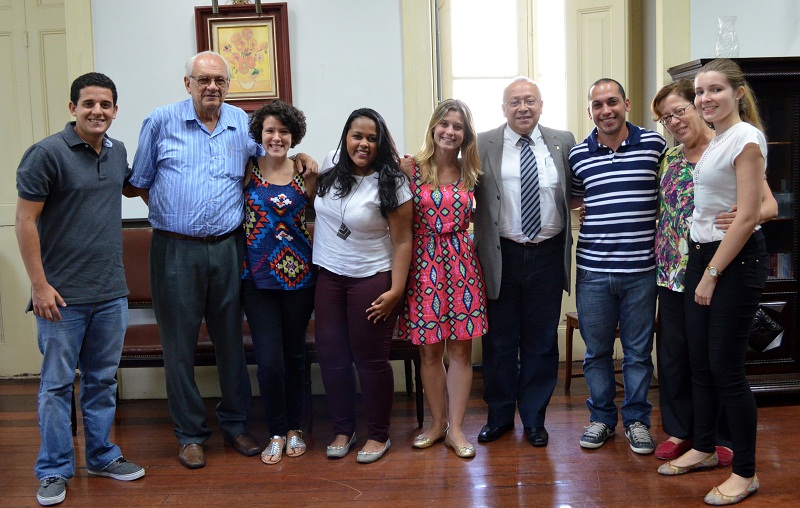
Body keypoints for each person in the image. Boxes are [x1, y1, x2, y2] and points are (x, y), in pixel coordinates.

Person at [130, 51, 267, 469]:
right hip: (174, 249)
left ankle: (236, 424)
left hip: (228, 247)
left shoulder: (243, 124)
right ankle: (189, 434)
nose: (212, 87)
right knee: (179, 346)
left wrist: (304, 160)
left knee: (231, 341)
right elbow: (140, 182)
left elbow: (263, 167)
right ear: (187, 82)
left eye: (220, 81)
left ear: (229, 86)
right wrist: (175, 219)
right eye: (203, 79)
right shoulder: (160, 121)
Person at [15, 72, 145, 506]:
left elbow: (133, 185)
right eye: (88, 104)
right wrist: (39, 286)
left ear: (114, 109)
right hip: (61, 298)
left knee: (101, 381)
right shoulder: (46, 154)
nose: (97, 112)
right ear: (73, 108)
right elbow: (25, 221)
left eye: (106, 105)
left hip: (111, 292)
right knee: (55, 386)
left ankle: (103, 456)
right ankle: (53, 469)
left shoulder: (117, 150)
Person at [656, 59, 768, 506]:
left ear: (738, 93)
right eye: (700, 92)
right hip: (700, 256)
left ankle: (745, 472)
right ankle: (703, 446)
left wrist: (712, 274)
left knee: (726, 371)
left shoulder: (746, 138)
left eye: (715, 90)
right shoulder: (719, 139)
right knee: (700, 363)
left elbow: (749, 215)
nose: (705, 99)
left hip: (732, 265)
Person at [473, 77, 576, 447]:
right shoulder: (482, 142)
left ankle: (534, 418)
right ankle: (499, 416)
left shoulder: (563, 141)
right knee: (499, 342)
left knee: (542, 342)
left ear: (541, 105)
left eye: (529, 100)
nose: (523, 108)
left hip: (548, 255)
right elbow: (452, 180)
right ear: (503, 108)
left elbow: (577, 189)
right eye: (514, 102)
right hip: (501, 254)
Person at [569, 78, 666, 455]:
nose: (605, 110)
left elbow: (669, 193)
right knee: (595, 353)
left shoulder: (654, 145)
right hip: (593, 271)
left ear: (626, 103)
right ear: (590, 110)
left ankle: (638, 421)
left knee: (639, 352)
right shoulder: (578, 154)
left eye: (612, 102)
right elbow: (577, 198)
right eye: (597, 105)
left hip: (642, 270)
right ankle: (602, 419)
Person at [313, 108, 412, 464]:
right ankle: (343, 429)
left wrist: (396, 291)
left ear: (381, 142)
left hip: (372, 278)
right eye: (357, 136)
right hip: (329, 277)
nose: (364, 144)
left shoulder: (393, 182)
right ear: (345, 137)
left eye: (372, 138)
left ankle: (379, 435)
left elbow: (403, 241)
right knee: (333, 359)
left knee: (370, 360)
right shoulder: (331, 162)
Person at [397, 99, 488, 458]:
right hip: (423, 266)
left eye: (458, 126)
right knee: (430, 351)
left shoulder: (473, 173)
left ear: (466, 135)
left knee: (462, 351)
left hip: (463, 266)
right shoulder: (411, 168)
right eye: (445, 124)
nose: (450, 131)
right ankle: (436, 425)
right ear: (433, 127)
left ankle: (457, 428)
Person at [241, 101, 317, 465]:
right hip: (256, 279)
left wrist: (306, 155)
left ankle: (294, 429)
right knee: (269, 361)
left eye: (283, 132)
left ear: (293, 136)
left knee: (295, 356)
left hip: (301, 278)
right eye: (270, 130)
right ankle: (274, 430)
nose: (276, 137)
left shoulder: (306, 172)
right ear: (260, 134)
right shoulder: (247, 169)